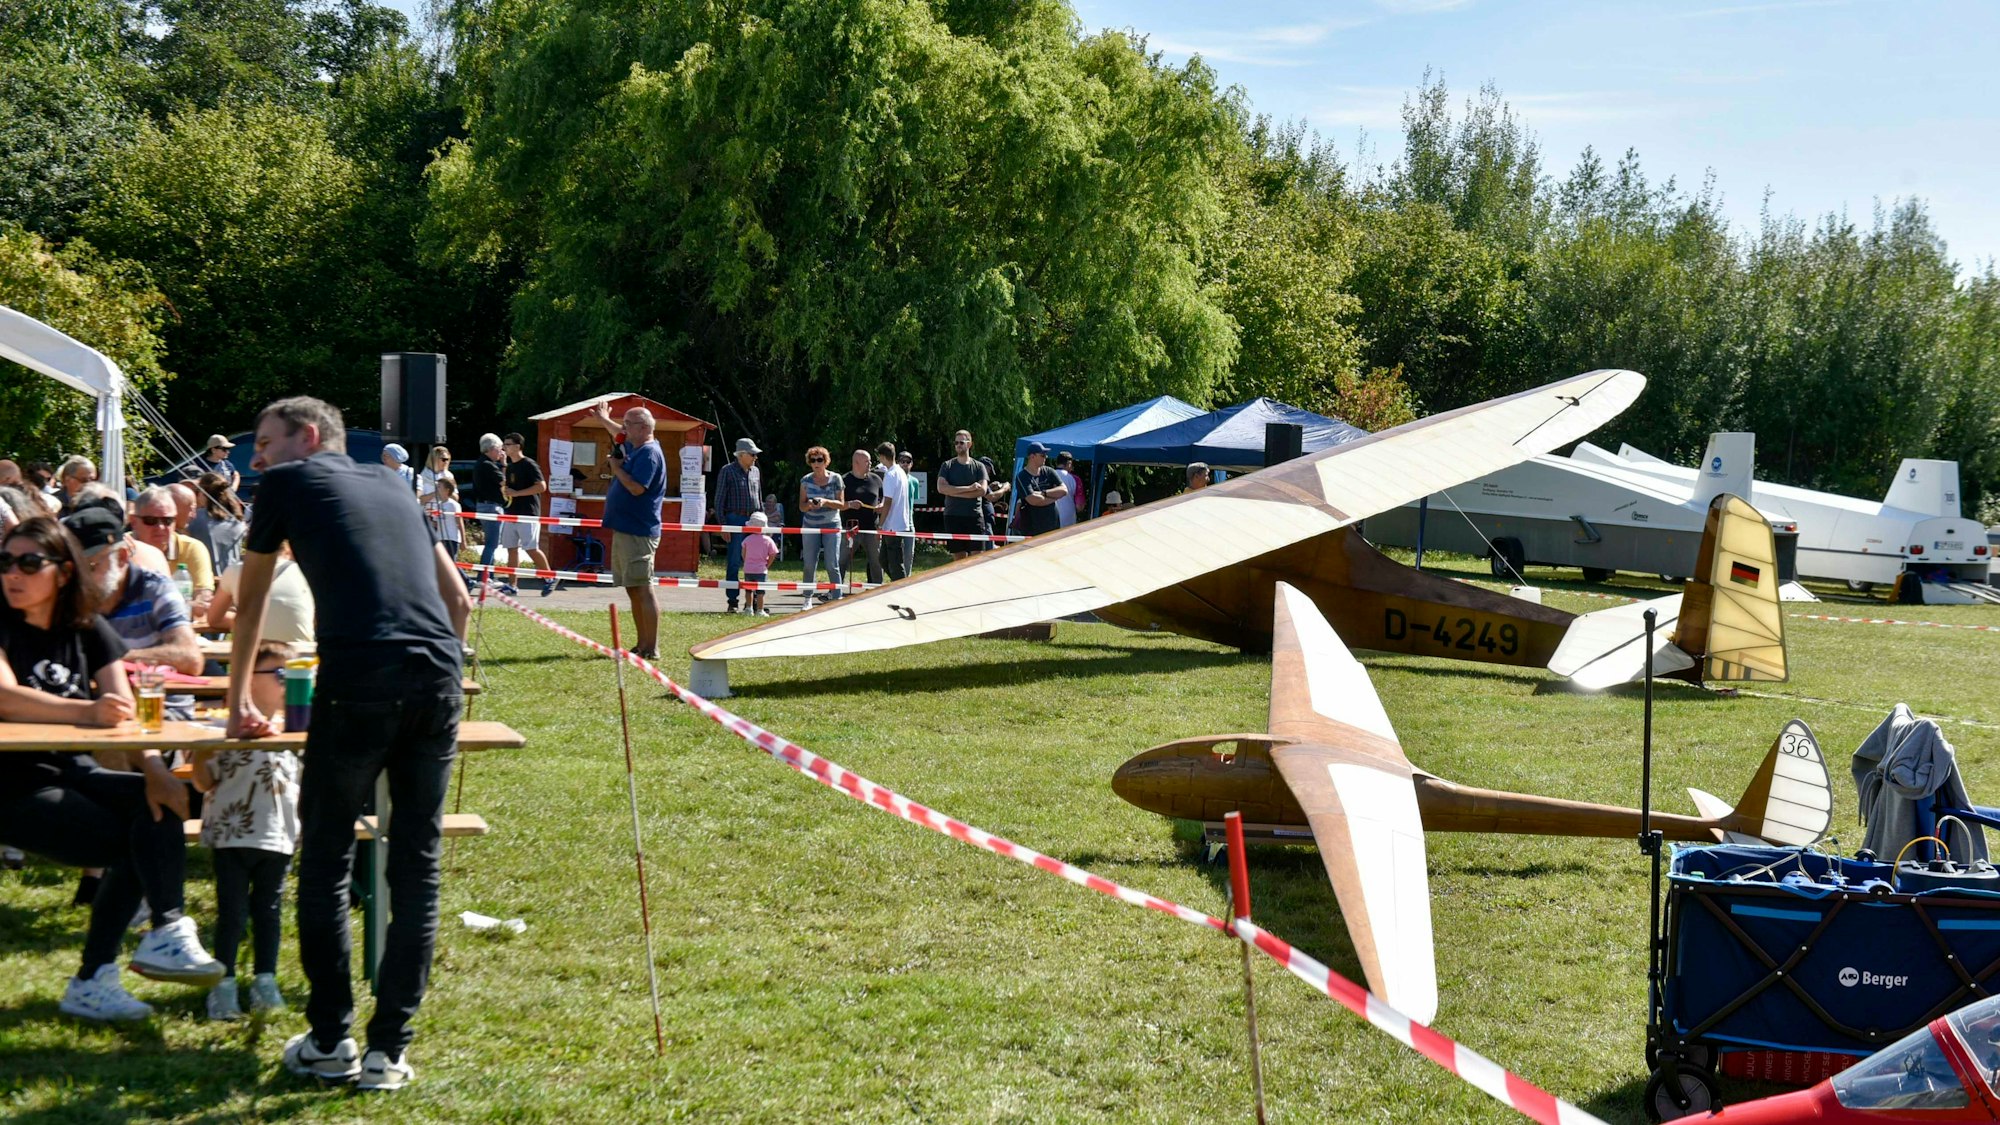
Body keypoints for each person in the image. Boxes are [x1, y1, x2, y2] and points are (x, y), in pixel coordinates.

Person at [224, 395, 472, 1092]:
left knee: (328, 857)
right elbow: (455, 598)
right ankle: (388, 1050)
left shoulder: (285, 483)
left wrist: (238, 695)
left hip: (357, 679)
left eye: (266, 442)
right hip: (436, 679)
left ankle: (331, 1037)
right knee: (416, 868)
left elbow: (249, 597)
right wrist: (445, 670)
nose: (259, 457)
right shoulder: (396, 481)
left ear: (306, 437)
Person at [0, 516, 224, 1021]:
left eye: (29, 562)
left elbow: (122, 710)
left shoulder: (88, 627)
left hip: (75, 773)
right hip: (13, 785)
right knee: (131, 840)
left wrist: (153, 768)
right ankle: (99, 974)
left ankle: (162, 931)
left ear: (62, 573)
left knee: (167, 801)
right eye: (5, 562)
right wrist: (85, 711)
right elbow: (5, 697)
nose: (13, 573)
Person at [191, 638, 302, 1021]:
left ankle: (265, 980)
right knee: (232, 913)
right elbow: (203, 783)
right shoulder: (223, 726)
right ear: (247, 679)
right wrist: (203, 750)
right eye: (282, 673)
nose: (291, 682)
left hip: (278, 835)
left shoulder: (297, 729)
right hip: (230, 835)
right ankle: (223, 982)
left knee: (269, 911)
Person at [580, 402, 666, 659]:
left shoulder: (649, 453)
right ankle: (642, 646)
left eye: (628, 424)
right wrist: (604, 419)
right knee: (632, 587)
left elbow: (638, 488)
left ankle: (651, 648)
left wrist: (616, 469)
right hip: (626, 529)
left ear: (643, 428)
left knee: (642, 587)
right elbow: (618, 432)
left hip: (639, 532)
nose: (624, 429)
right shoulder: (636, 446)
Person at [132, 486, 214, 617]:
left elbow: (202, 603)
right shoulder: (122, 549)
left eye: (167, 520)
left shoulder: (192, 548)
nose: (160, 527)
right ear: (134, 522)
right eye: (150, 521)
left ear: (175, 522)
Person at [499, 433, 556, 597]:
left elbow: (542, 486)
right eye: (504, 444)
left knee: (531, 548)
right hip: (512, 512)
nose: (505, 447)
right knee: (511, 549)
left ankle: (549, 578)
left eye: (508, 444)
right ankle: (512, 585)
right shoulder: (510, 466)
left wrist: (518, 493)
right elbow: (507, 487)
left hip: (528, 512)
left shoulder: (529, 464)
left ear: (518, 446)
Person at [717, 438, 762, 614]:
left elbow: (759, 496)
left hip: (753, 521)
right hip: (734, 520)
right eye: (752, 454)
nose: (755, 457)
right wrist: (723, 525)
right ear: (741, 455)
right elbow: (719, 499)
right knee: (734, 561)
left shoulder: (755, 471)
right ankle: (733, 600)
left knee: (754, 562)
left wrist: (762, 519)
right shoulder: (727, 471)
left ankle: (751, 602)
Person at [797, 447, 844, 608]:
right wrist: (809, 504)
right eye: (813, 460)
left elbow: (842, 504)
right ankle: (807, 598)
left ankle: (837, 598)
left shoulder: (836, 478)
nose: (816, 463)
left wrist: (825, 502)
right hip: (810, 525)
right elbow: (801, 506)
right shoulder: (805, 481)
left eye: (819, 460)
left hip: (832, 524)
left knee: (832, 563)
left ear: (826, 461)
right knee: (809, 563)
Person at [935, 431, 989, 560]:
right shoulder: (947, 466)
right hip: (953, 516)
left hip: (974, 516)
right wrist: (969, 489)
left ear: (969, 444)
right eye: (956, 443)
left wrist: (954, 491)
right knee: (959, 559)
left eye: (962, 442)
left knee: (977, 558)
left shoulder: (979, 466)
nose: (958, 445)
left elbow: (982, 491)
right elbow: (941, 488)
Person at [841, 449, 885, 588]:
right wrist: (849, 505)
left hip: (871, 528)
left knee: (877, 561)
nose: (870, 463)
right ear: (856, 463)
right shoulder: (844, 480)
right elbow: (836, 504)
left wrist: (881, 505)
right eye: (867, 461)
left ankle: (877, 588)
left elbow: (884, 498)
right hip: (849, 528)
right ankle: (836, 590)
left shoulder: (876, 479)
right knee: (842, 560)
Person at [189, 472, 248, 578]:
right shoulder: (237, 519)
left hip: (206, 582)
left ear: (203, 493)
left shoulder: (194, 518)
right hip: (232, 581)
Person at [470, 434, 506, 588]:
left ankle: (488, 576)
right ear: (491, 449)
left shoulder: (480, 463)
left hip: (484, 506)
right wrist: (504, 464)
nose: (501, 452)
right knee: (492, 544)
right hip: (491, 507)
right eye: (499, 449)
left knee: (491, 543)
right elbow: (505, 482)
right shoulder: (488, 465)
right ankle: (483, 577)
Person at [1012, 443, 1068, 537]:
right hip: (1032, 528)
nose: (1045, 457)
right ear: (1032, 456)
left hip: (1053, 525)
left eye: (1045, 455)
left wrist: (1044, 493)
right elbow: (1033, 500)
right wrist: (1054, 497)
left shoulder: (1049, 471)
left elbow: (1064, 490)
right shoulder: (1022, 476)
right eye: (1042, 455)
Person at [875, 443, 911, 581]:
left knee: (895, 563)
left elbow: (889, 502)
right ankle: (897, 584)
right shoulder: (901, 472)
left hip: (892, 525)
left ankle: (901, 587)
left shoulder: (890, 475)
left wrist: (880, 524)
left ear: (883, 456)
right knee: (884, 560)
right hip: (897, 523)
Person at [740, 511, 779, 616]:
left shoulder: (747, 539)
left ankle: (749, 608)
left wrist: (747, 561)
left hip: (748, 568)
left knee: (749, 590)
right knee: (760, 592)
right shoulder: (768, 540)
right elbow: (773, 553)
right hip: (761, 569)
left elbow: (743, 553)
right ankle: (760, 610)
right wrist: (767, 564)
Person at [429, 478, 464, 564]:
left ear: (447, 490)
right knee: (441, 563)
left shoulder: (453, 505)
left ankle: (465, 578)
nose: (437, 489)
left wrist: (463, 540)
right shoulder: (438, 505)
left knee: (451, 563)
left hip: (451, 539)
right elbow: (436, 523)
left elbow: (459, 522)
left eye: (439, 487)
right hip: (440, 538)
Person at [978, 454, 1009, 548]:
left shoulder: (980, 481)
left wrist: (990, 487)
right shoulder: (980, 479)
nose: (989, 473)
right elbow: (992, 497)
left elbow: (984, 494)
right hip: (984, 522)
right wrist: (1004, 488)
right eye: (989, 470)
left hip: (985, 521)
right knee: (988, 551)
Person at [1052, 452, 1082, 527]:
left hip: (1050, 518)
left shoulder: (1048, 476)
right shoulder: (1075, 479)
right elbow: (1079, 506)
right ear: (1069, 463)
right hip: (1068, 520)